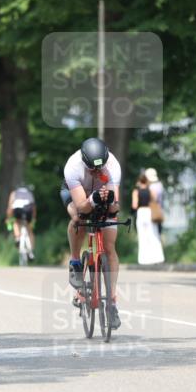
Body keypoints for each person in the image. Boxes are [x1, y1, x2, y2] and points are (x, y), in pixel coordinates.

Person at [60, 137, 122, 329]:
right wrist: (93, 199)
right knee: (78, 219)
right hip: (79, 195)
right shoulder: (73, 166)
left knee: (110, 248)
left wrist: (110, 200)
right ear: (84, 162)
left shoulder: (112, 165)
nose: (96, 172)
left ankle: (111, 303)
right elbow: (82, 207)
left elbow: (114, 209)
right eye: (92, 169)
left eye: (99, 168)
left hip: (100, 193)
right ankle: (76, 260)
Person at [132, 173, 165, 265]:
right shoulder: (150, 190)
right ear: (147, 181)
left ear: (139, 181)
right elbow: (155, 200)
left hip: (141, 212)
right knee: (153, 234)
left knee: (142, 236)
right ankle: (157, 258)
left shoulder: (136, 191)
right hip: (149, 212)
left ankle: (143, 260)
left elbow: (134, 205)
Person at [6, 184, 36, 260]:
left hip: (17, 209)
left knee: (16, 222)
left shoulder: (14, 193)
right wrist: (33, 218)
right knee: (29, 231)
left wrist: (8, 218)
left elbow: (10, 206)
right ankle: (31, 252)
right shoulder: (29, 193)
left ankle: (17, 238)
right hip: (28, 209)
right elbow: (33, 207)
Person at [145, 168, 165, 235]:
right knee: (158, 233)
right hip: (159, 210)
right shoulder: (160, 185)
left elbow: (154, 198)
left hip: (152, 212)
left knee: (152, 234)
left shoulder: (151, 186)